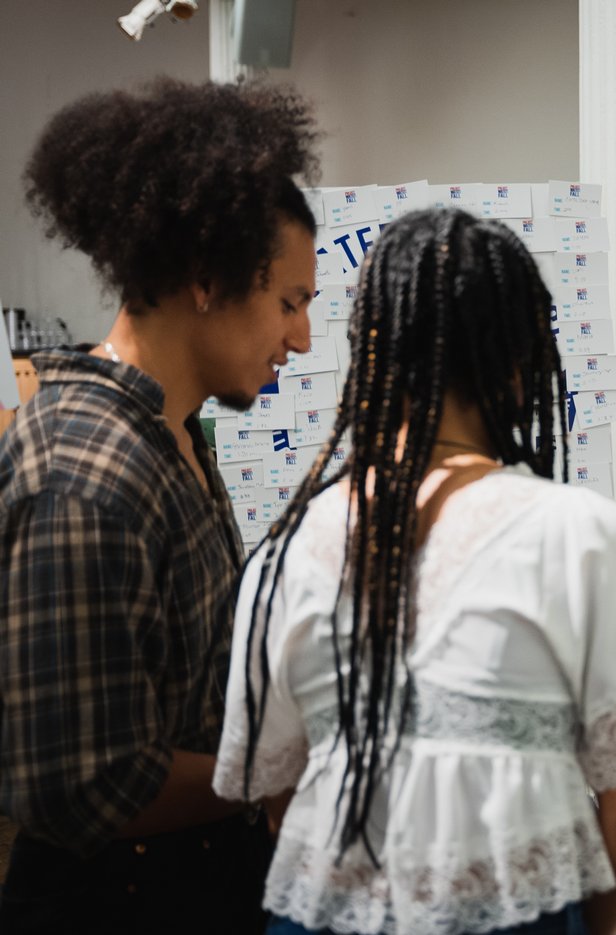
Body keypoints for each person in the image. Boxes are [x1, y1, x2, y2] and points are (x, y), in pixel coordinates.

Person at [212, 208, 616, 935]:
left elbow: (278, 793)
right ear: (522, 358)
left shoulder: (286, 549)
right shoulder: (581, 536)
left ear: (370, 354)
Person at [0, 79, 318, 932]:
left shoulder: (167, 435)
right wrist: (281, 763)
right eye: (289, 302)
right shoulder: (87, 475)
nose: (302, 337)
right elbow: (85, 784)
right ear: (208, 279)